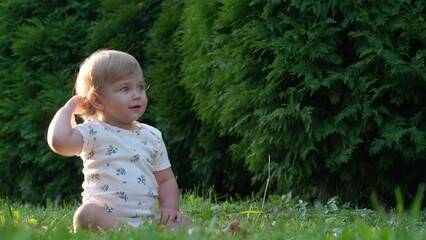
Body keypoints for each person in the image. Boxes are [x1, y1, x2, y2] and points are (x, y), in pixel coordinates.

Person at [47, 49, 241, 234]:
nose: (136, 94)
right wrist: (68, 109)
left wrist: (169, 209)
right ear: (97, 101)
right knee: (86, 214)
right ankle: (130, 234)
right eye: (125, 88)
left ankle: (218, 234)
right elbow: (59, 141)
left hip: (147, 220)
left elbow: (165, 179)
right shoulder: (92, 131)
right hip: (107, 217)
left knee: (180, 222)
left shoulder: (152, 136)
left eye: (140, 86)